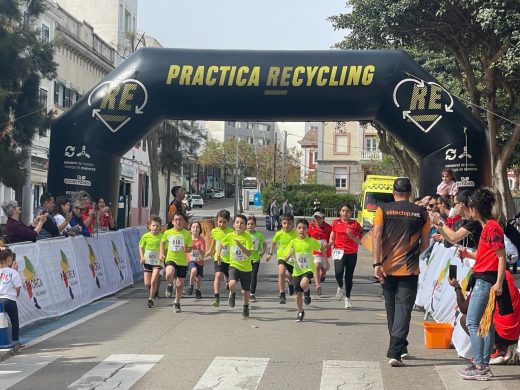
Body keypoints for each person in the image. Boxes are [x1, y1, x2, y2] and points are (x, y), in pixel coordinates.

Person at [372, 177, 430, 367]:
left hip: (386, 267)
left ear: (393, 192)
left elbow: (377, 235)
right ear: (410, 192)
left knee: (392, 308)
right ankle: (397, 351)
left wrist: (376, 263)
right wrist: (414, 254)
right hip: (409, 268)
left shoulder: (383, 210)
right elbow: (426, 243)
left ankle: (398, 349)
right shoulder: (421, 212)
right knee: (403, 310)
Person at [456, 187, 506, 380]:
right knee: (485, 325)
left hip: (486, 281)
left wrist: (499, 283)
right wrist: (469, 254)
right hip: (485, 279)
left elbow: (501, 258)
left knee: (473, 321)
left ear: (475, 208)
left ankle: (479, 365)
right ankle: (482, 364)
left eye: (469, 207)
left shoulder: (492, 228)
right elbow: (488, 254)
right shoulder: (488, 227)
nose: (468, 211)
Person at [449, 271, 519, 365]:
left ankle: (490, 353)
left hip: (501, 333)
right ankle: (501, 348)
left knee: (466, 319)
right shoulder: (507, 275)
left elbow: (463, 308)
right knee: (489, 315)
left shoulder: (484, 278)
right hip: (514, 335)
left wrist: (457, 287)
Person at [285, 219, 325, 322]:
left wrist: (326, 260)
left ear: (308, 230)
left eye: (304, 228)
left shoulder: (311, 241)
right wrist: (290, 254)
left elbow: (321, 248)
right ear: (296, 229)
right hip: (297, 271)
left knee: (303, 284)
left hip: (308, 269)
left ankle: (306, 292)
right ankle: (300, 311)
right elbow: (285, 257)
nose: (301, 230)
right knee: (298, 295)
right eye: (299, 228)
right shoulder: (293, 242)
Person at [220, 214, 253, 318]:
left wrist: (240, 245)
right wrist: (217, 254)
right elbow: (221, 243)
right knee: (232, 283)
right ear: (233, 225)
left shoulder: (248, 237)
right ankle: (232, 294)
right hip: (234, 265)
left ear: (245, 226)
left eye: (242, 223)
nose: (239, 224)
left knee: (245, 291)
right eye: (237, 222)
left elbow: (248, 254)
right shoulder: (230, 236)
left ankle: (245, 307)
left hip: (246, 268)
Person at [329, 204, 363, 309]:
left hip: (351, 252)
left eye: (347, 211)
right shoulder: (335, 222)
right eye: (343, 210)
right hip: (338, 251)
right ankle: (340, 287)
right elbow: (333, 234)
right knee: (338, 274)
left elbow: (360, 241)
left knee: (349, 277)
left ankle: (347, 298)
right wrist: (330, 242)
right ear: (340, 212)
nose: (345, 213)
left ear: (351, 213)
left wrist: (351, 236)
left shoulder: (356, 225)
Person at [160, 212, 192, 313]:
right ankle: (170, 285)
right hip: (171, 258)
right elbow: (162, 242)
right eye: (176, 220)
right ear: (173, 222)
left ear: (184, 222)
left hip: (182, 262)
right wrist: (161, 253)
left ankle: (177, 302)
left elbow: (190, 249)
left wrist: (186, 249)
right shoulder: (168, 232)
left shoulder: (187, 234)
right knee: (169, 273)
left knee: (179, 284)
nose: (178, 222)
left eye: (180, 220)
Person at [266, 213, 297, 304]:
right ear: (281, 223)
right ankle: (282, 294)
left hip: (292, 258)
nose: (286, 226)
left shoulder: (295, 233)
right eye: (284, 223)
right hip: (282, 256)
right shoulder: (279, 233)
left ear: (293, 223)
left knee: (291, 276)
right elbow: (274, 243)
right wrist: (270, 253)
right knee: (281, 272)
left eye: (289, 223)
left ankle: (290, 284)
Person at [207, 209, 233, 307]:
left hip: (229, 259)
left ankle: (231, 293)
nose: (221, 224)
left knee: (229, 279)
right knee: (218, 275)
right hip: (218, 258)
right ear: (217, 220)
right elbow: (214, 242)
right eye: (219, 221)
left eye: (224, 222)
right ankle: (216, 297)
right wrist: (210, 250)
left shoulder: (231, 232)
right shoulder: (214, 231)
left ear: (228, 221)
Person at [138, 215, 163, 308]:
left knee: (153, 280)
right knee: (147, 283)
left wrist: (162, 254)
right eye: (153, 225)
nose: (155, 228)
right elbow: (140, 246)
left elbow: (165, 248)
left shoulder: (162, 237)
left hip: (157, 262)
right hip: (147, 261)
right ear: (149, 226)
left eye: (157, 226)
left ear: (160, 227)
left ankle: (150, 299)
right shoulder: (146, 236)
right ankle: (154, 290)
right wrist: (142, 258)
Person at [0, 247, 22, 348]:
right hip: (10, 299)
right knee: (14, 322)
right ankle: (15, 341)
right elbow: (18, 287)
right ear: (9, 259)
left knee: (1, 321)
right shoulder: (13, 272)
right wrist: (16, 294)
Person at [308, 208, 332, 295]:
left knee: (324, 268)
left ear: (323, 217)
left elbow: (332, 240)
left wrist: (328, 245)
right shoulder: (310, 227)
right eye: (316, 217)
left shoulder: (329, 228)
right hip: (314, 252)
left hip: (325, 252)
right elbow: (307, 238)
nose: (317, 219)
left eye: (319, 217)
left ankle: (323, 273)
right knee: (317, 265)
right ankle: (318, 286)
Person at [247, 215, 266, 302]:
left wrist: (263, 252)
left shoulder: (259, 235)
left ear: (255, 225)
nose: (250, 226)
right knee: (246, 277)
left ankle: (252, 294)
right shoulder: (244, 234)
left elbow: (264, 244)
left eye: (252, 224)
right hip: (245, 259)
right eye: (248, 224)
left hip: (255, 259)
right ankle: (246, 291)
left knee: (253, 276)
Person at [187, 221, 206, 299]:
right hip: (190, 260)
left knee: (198, 278)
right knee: (193, 270)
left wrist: (198, 249)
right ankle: (191, 285)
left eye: (197, 227)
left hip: (199, 261)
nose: (195, 229)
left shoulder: (202, 240)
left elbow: (203, 253)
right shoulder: (188, 239)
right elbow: (186, 249)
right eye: (193, 227)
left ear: (200, 229)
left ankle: (198, 290)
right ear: (190, 229)